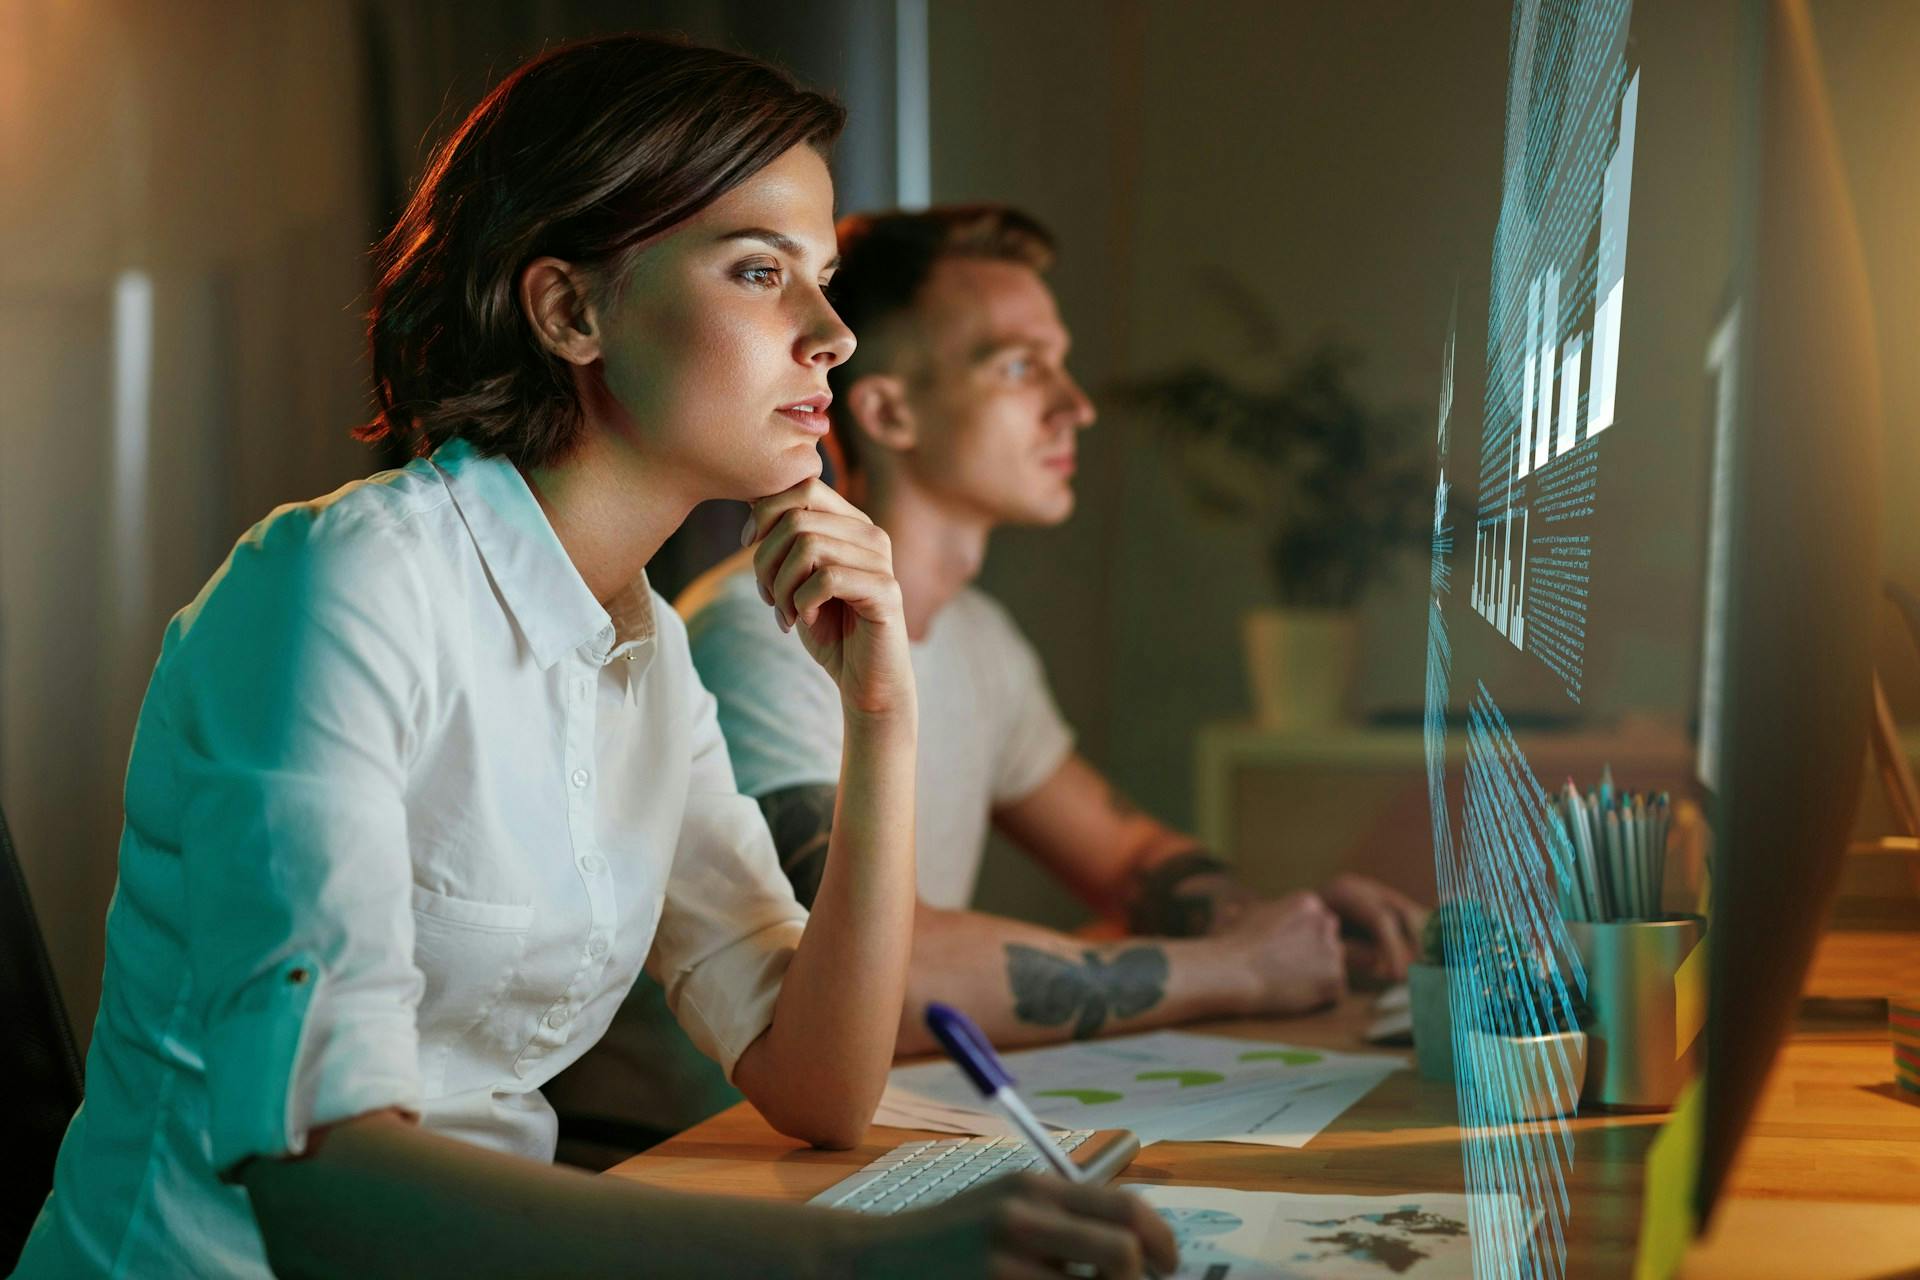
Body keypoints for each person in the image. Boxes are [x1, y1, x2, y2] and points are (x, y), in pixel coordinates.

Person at [15, 41, 1174, 1280]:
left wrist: (881, 712)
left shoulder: (648, 649)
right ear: (571, 310)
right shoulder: (344, 584)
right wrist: (845, 1265)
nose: (832, 334)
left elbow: (821, 1080)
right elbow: (320, 1191)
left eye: (825, 278)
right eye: (759, 270)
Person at [672, 205, 1429, 1061]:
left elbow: (1130, 856)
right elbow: (874, 977)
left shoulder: (979, 639)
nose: (1075, 407)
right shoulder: (761, 631)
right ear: (888, 414)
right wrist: (1233, 968)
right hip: (717, 1163)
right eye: (1021, 367)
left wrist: (1282, 927)